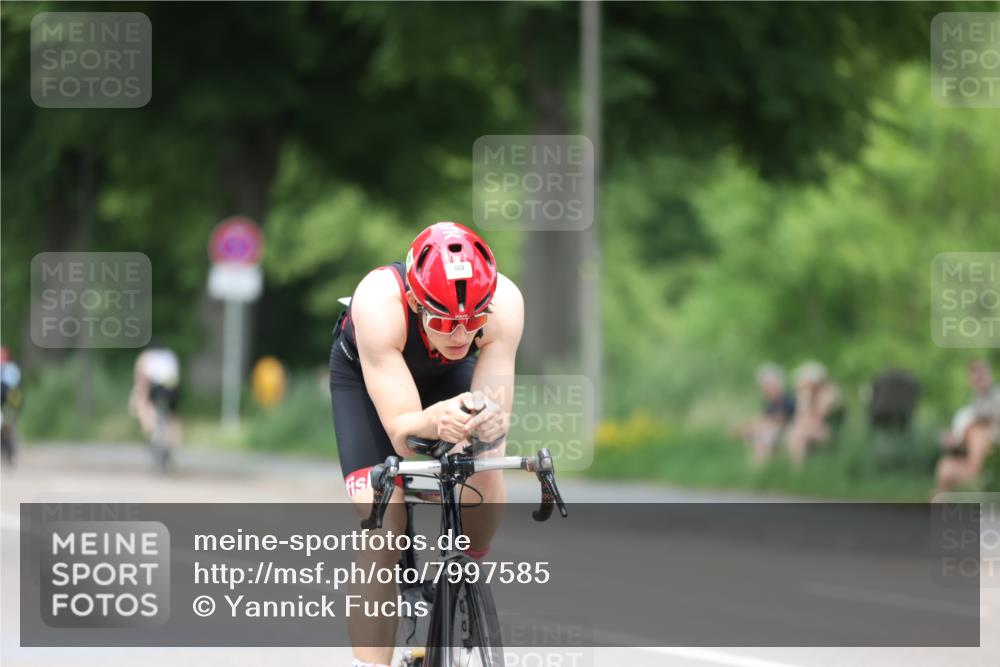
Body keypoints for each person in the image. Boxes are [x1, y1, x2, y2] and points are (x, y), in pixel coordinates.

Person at [329, 221, 523, 667]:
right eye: (443, 321)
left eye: (472, 322)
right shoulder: (378, 302)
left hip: (446, 376)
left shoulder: (506, 303)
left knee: (484, 472)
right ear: (417, 302)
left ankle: (465, 578)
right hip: (367, 380)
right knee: (384, 522)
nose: (459, 335)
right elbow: (403, 433)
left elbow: (494, 428)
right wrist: (435, 421)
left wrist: (485, 427)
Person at [934, 360, 1000, 495]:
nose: (979, 382)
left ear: (989, 375)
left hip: (990, 451)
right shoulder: (975, 402)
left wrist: (971, 428)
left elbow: (990, 422)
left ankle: (974, 476)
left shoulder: (997, 396)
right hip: (973, 452)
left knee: (977, 433)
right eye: (975, 379)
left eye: (981, 377)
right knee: (945, 467)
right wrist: (955, 440)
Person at [784, 361, 842, 469]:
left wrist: (806, 399)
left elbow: (821, 416)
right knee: (795, 436)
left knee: (797, 436)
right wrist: (805, 398)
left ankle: (798, 471)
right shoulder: (804, 395)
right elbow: (800, 419)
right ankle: (798, 470)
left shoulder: (829, 394)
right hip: (807, 429)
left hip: (825, 430)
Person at [736, 363, 795, 468]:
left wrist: (754, 425)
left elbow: (780, 420)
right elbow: (765, 417)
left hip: (787, 431)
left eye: (767, 386)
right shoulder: (769, 401)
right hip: (774, 430)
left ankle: (763, 468)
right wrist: (749, 424)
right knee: (753, 434)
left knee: (761, 436)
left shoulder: (786, 399)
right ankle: (759, 468)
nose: (764, 389)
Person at [128, 344, 183, 454]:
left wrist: (141, 396)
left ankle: (150, 432)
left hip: (156, 388)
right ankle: (175, 445)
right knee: (173, 416)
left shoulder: (145, 356)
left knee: (141, 404)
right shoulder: (169, 354)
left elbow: (142, 378)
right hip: (172, 389)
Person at [1, 345, 23, 466]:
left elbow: (15, 391)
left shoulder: (11, 369)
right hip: (8, 400)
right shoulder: (12, 369)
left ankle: (11, 449)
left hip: (9, 401)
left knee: (8, 423)